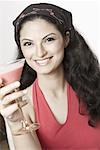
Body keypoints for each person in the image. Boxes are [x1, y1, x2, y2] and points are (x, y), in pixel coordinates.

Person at [0, 3, 100, 150]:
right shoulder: (22, 105)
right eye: (28, 43)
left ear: (66, 39)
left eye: (49, 39)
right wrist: (16, 124)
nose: (40, 53)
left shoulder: (96, 88)